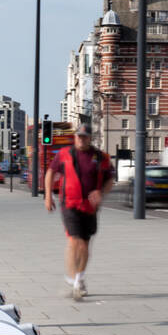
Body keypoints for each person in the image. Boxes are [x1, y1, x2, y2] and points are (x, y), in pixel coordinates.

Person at [44, 120, 114, 300]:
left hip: (90, 207)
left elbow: (109, 179)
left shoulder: (100, 157)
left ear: (90, 138)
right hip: (69, 203)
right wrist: (47, 195)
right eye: (79, 136)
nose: (81, 140)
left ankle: (78, 277)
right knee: (76, 241)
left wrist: (101, 192)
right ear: (75, 137)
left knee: (85, 244)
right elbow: (51, 172)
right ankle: (75, 282)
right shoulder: (64, 154)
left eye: (85, 137)